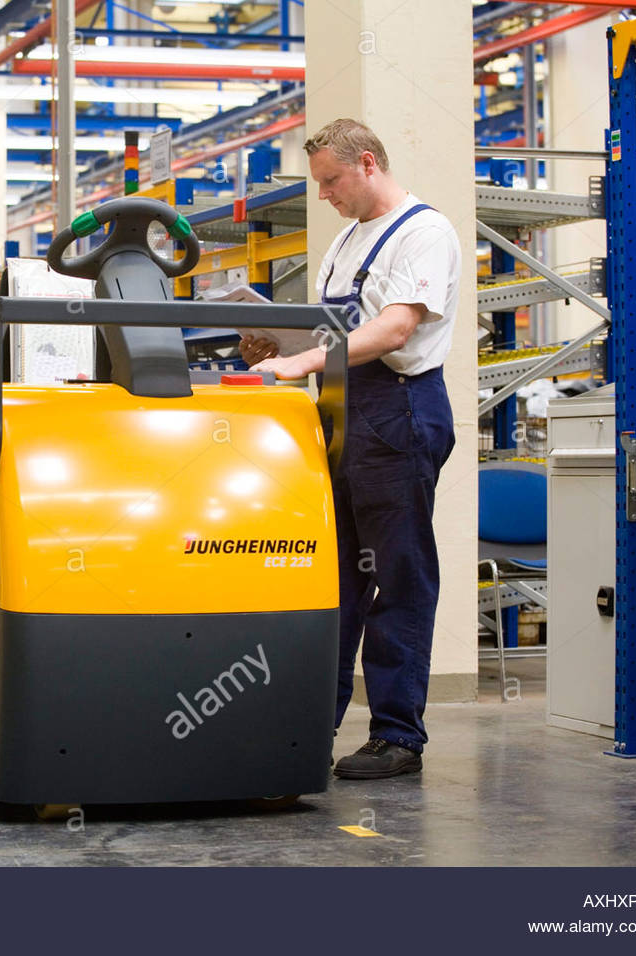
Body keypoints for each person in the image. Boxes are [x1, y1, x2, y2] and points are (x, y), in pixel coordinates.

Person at [243, 118, 459, 780]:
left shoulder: (425, 232)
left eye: (331, 181)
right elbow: (331, 330)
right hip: (340, 416)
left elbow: (394, 329)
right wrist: (274, 348)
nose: (325, 195)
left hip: (397, 414)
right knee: (332, 579)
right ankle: (313, 721)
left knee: (397, 577)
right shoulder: (343, 241)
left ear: (367, 164)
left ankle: (398, 736)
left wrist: (304, 359)